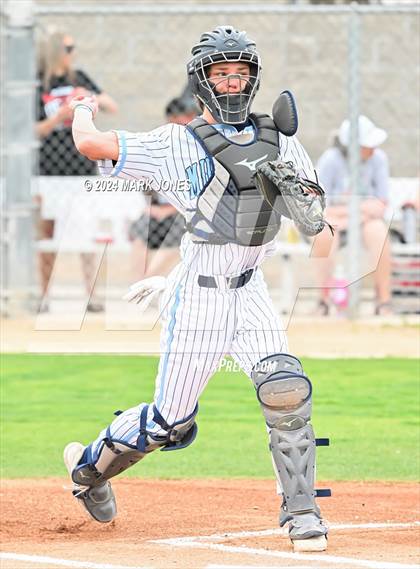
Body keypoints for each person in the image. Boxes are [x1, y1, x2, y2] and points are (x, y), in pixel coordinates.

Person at [63, 26, 329, 553]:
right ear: (201, 81)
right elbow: (89, 144)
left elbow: (321, 226)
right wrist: (82, 107)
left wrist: (306, 204)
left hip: (251, 290)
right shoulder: (175, 142)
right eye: (221, 73)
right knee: (169, 422)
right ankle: (89, 468)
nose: (232, 82)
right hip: (201, 294)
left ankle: (302, 512)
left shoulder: (282, 139)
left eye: (241, 73)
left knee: (285, 389)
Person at [35, 30, 118, 313]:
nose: (72, 53)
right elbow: (32, 131)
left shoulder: (78, 77)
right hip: (49, 171)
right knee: (46, 236)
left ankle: (92, 296)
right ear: (56, 51)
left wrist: (87, 97)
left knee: (87, 233)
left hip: (82, 168)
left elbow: (111, 105)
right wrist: (59, 116)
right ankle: (44, 296)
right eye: (68, 48)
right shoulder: (37, 83)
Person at [313, 115, 392, 316]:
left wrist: (355, 212)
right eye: (367, 145)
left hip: (364, 221)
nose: (373, 148)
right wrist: (359, 209)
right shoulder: (331, 160)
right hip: (337, 219)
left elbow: (381, 203)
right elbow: (320, 206)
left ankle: (383, 302)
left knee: (379, 232)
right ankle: (323, 301)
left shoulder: (378, 159)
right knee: (325, 233)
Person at [128, 93, 199, 282]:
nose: (180, 122)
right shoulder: (162, 143)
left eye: (185, 118)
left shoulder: (199, 147)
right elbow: (146, 180)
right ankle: (139, 283)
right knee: (141, 231)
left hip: (184, 212)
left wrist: (169, 209)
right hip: (159, 211)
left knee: (179, 233)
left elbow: (200, 193)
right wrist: (153, 207)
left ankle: (148, 282)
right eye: (174, 119)